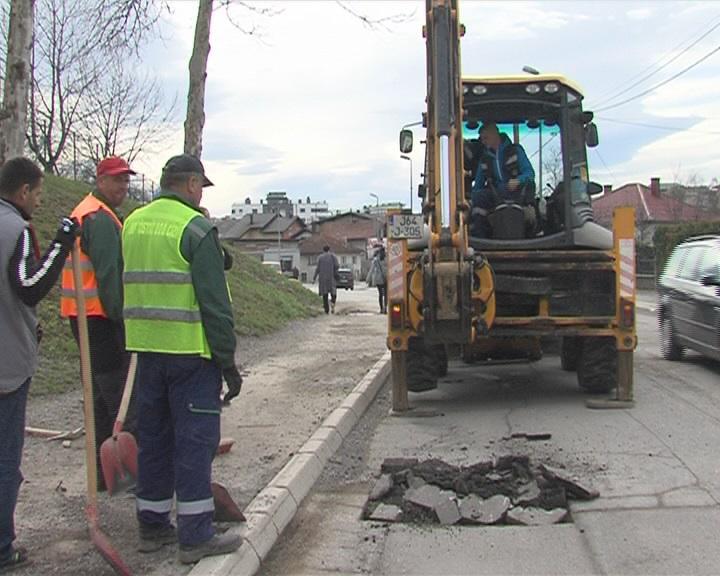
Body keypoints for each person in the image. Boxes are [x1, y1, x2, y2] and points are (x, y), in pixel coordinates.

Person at [121, 153, 243, 563]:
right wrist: (228, 363)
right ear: (191, 184)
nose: (199, 194)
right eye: (199, 186)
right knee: (194, 443)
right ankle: (195, 536)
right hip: (191, 354)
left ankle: (152, 526)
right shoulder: (196, 228)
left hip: (146, 352)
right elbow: (214, 304)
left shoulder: (133, 223)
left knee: (154, 439)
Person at [0, 157, 78, 572]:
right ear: (24, 191)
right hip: (7, 367)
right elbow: (29, 287)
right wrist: (62, 242)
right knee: (4, 458)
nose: (40, 201)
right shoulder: (17, 230)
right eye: (38, 193)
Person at [60, 156, 137, 490]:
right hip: (101, 318)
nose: (123, 187)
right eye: (117, 181)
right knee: (116, 397)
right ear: (101, 180)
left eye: (126, 181)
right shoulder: (99, 219)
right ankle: (121, 473)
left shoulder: (86, 210)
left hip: (83, 315)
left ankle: (101, 476)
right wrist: (123, 319)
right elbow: (109, 275)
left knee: (97, 396)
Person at [470, 122, 536, 237]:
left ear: (495, 135)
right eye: (482, 139)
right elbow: (478, 186)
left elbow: (530, 173)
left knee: (531, 193)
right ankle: (480, 237)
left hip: (517, 194)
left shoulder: (515, 151)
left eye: (486, 138)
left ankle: (534, 233)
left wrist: (518, 181)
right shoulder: (485, 159)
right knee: (478, 198)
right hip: (496, 195)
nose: (483, 142)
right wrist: (469, 200)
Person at [313, 244, 339, 314]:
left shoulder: (320, 258)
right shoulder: (333, 256)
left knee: (325, 294)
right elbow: (337, 266)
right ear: (329, 249)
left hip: (323, 278)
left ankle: (326, 309)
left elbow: (317, 268)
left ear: (323, 250)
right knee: (333, 292)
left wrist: (314, 278)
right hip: (331, 277)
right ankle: (333, 303)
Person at [366, 246, 387, 314]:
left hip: (379, 279)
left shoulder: (375, 260)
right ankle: (385, 308)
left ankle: (381, 308)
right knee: (386, 294)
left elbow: (371, 270)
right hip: (386, 278)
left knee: (380, 294)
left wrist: (368, 278)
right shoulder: (387, 260)